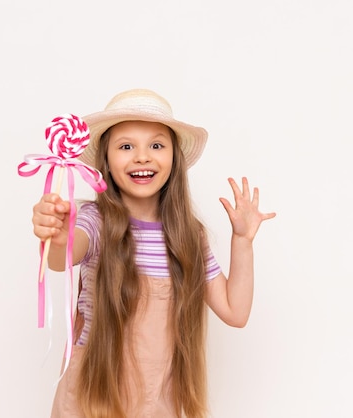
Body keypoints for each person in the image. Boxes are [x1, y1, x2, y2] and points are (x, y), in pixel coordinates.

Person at [31, 88, 276, 418]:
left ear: (174, 158)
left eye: (156, 145)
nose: (142, 156)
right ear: (106, 159)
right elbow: (63, 258)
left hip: (158, 399)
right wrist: (58, 235)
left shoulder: (188, 236)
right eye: (126, 146)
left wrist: (243, 242)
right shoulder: (95, 222)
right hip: (94, 395)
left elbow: (236, 311)